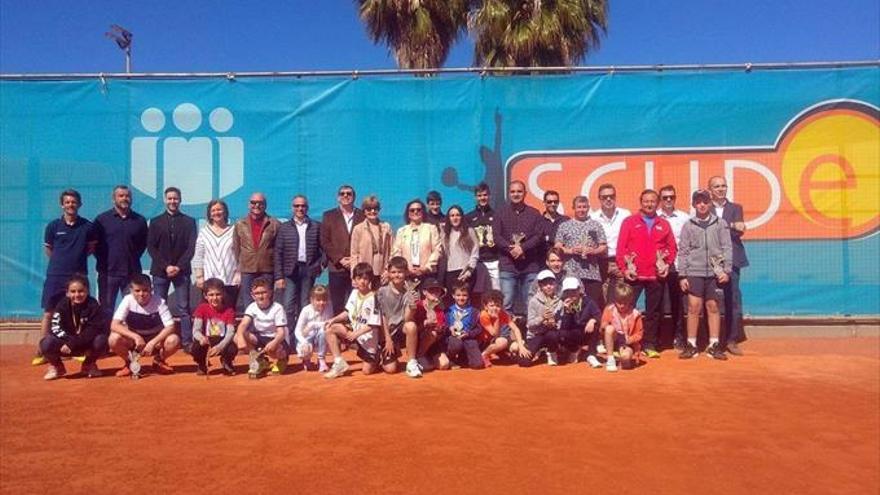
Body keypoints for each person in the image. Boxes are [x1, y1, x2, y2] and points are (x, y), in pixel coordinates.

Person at [36, 189, 98, 366]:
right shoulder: (53, 226)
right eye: (67, 202)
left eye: (74, 202)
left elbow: (90, 249)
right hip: (55, 275)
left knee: (79, 315)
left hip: (78, 276)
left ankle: (78, 348)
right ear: (62, 205)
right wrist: (60, 262)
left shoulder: (88, 226)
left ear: (79, 204)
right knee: (49, 312)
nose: (71, 205)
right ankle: (42, 351)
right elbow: (50, 250)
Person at [616, 189, 677, 358]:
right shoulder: (629, 222)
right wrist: (624, 268)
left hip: (656, 276)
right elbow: (621, 248)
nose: (649, 204)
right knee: (627, 310)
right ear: (640, 202)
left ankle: (649, 344)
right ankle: (625, 342)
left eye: (652, 201)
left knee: (654, 312)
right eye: (646, 201)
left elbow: (672, 248)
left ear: (657, 203)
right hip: (634, 275)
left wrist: (666, 265)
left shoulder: (664, 224)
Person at [677, 189, 733, 361]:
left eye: (705, 201)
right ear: (694, 204)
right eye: (698, 202)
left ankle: (714, 345)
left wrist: (727, 270)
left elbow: (727, 247)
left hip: (715, 274)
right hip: (694, 272)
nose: (702, 205)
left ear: (710, 203)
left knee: (713, 307)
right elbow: (684, 251)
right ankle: (691, 345)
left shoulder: (720, 223)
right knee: (694, 307)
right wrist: (683, 275)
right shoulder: (688, 225)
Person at [147, 186, 197, 351]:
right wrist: (166, 266)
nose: (172, 201)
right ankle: (160, 341)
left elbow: (191, 248)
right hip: (160, 272)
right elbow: (151, 248)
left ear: (180, 200)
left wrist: (178, 266)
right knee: (160, 307)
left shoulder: (189, 222)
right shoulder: (155, 222)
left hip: (182, 272)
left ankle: (187, 342)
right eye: (169, 198)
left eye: (175, 198)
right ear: (165, 200)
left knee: (184, 308)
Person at [108, 274, 179, 378]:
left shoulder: (160, 301)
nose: (141, 294)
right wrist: (136, 337)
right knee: (113, 339)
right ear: (131, 290)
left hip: (155, 341)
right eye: (137, 291)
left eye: (145, 290)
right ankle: (130, 363)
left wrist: (153, 342)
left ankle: (159, 361)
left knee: (174, 340)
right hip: (135, 342)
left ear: (151, 289)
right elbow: (114, 325)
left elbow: (171, 326)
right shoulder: (127, 300)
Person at [709, 176, 749, 356]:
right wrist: (730, 225)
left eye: (723, 185)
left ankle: (732, 340)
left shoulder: (736, 208)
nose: (720, 189)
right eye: (716, 186)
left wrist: (727, 226)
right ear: (710, 189)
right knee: (711, 301)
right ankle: (713, 340)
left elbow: (739, 230)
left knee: (732, 300)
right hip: (710, 261)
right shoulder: (704, 208)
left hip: (733, 259)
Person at [39, 274, 107, 380]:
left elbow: (93, 330)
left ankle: (88, 364)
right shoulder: (62, 305)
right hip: (65, 344)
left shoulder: (93, 305)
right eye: (73, 291)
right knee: (46, 343)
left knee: (101, 340)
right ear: (67, 293)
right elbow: (55, 327)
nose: (77, 295)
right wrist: (68, 341)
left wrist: (73, 343)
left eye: (81, 291)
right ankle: (57, 367)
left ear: (87, 291)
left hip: (85, 344)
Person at [493, 180, 545, 316]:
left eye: (519, 191)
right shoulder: (500, 213)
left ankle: (531, 335)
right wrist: (511, 249)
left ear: (525, 193)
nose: (516, 194)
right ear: (509, 194)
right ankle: (505, 335)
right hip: (508, 265)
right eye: (513, 191)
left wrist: (523, 248)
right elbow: (496, 237)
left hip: (530, 267)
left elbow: (539, 236)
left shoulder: (534, 213)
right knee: (506, 303)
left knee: (531, 302)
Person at [323, 263, 383, 379]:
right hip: (354, 335)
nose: (362, 282)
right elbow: (347, 313)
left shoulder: (373, 298)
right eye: (359, 278)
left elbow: (373, 325)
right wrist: (333, 319)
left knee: (367, 371)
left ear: (370, 280)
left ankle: (376, 356)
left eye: (365, 278)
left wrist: (355, 334)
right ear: (354, 279)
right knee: (330, 328)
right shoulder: (354, 293)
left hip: (367, 341)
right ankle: (339, 362)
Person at [95, 185, 148, 312]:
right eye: (121, 196)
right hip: (108, 273)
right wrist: (106, 261)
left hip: (132, 273)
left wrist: (131, 257)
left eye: (127, 196)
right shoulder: (102, 220)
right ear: (114, 199)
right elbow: (95, 246)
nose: (125, 198)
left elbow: (143, 244)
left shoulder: (139, 220)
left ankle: (131, 332)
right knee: (106, 308)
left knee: (133, 308)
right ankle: (107, 332)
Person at [274, 194, 323, 328]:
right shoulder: (284, 228)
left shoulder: (316, 226)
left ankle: (302, 338)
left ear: (307, 208)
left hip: (308, 271)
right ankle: (290, 339)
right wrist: (279, 276)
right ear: (292, 208)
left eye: (303, 206)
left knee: (305, 305)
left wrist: (318, 267)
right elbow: (278, 253)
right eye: (297, 206)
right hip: (290, 272)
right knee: (288, 306)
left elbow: (323, 251)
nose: (300, 208)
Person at [554, 195, 607, 307]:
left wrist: (593, 251)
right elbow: (557, 246)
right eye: (579, 207)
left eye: (584, 207)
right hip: (571, 272)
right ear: (574, 208)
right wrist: (570, 250)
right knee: (572, 305)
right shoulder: (564, 226)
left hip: (592, 273)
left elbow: (603, 247)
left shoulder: (596, 225)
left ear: (588, 208)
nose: (582, 210)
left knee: (592, 305)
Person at [320, 185, 365, 315]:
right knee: (338, 304)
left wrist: (354, 259)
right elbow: (325, 241)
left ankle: (355, 333)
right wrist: (340, 259)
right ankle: (339, 333)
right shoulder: (328, 215)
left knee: (357, 303)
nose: (345, 196)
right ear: (338, 197)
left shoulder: (362, 215)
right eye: (342, 193)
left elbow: (365, 241)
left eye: (349, 194)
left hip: (357, 267)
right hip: (337, 267)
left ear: (354, 197)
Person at [233, 192, 280, 312]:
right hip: (247, 270)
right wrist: (240, 267)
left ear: (265, 205)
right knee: (248, 304)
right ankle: (250, 329)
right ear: (248, 204)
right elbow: (237, 247)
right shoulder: (239, 224)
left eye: (260, 203)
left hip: (267, 270)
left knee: (267, 303)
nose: (256, 205)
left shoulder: (274, 224)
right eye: (253, 202)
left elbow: (278, 250)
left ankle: (266, 329)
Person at [235, 276, 289, 379]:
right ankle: (259, 361)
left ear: (270, 293)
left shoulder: (278, 308)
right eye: (257, 293)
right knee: (237, 337)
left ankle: (282, 359)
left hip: (277, 339)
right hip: (260, 338)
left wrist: (274, 342)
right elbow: (242, 325)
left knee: (276, 351)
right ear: (252, 295)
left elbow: (281, 333)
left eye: (263, 292)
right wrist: (241, 338)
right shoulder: (251, 307)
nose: (260, 296)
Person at [375, 256, 421, 378]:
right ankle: (380, 354)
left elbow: (407, 319)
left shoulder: (410, 292)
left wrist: (412, 306)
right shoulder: (382, 292)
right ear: (389, 273)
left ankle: (411, 362)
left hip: (400, 331)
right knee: (391, 369)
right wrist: (388, 339)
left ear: (406, 273)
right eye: (393, 272)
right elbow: (382, 317)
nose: (397, 275)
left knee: (411, 326)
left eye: (400, 272)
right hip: (386, 333)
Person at [657, 185, 689, 350]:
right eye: (665, 197)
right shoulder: (653, 218)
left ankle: (679, 336)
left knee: (678, 304)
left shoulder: (684, 217)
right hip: (658, 267)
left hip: (678, 266)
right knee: (658, 303)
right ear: (660, 200)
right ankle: (659, 337)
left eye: (671, 197)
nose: (668, 200)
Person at [192, 199, 240, 306]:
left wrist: (238, 274)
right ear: (209, 214)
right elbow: (198, 256)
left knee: (228, 314)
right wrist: (199, 277)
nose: (216, 212)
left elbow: (240, 255)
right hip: (209, 282)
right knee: (210, 316)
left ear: (225, 212)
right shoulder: (204, 232)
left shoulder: (234, 230)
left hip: (230, 281)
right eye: (213, 210)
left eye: (219, 210)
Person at [590, 183, 631, 305]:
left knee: (622, 298)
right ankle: (604, 323)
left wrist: (625, 264)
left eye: (611, 196)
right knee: (601, 299)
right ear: (599, 199)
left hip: (621, 262)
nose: (608, 199)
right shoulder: (593, 218)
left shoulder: (625, 215)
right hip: (601, 262)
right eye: (604, 197)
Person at [190, 277, 238, 376]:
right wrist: (201, 338)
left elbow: (230, 332)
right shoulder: (201, 308)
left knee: (232, 347)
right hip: (206, 340)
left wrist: (220, 347)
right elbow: (196, 330)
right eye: (211, 295)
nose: (214, 298)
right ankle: (202, 364)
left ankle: (227, 362)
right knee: (195, 347)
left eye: (218, 294)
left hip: (222, 340)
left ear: (223, 294)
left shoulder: (229, 311)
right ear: (205, 296)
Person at [392, 199, 442, 282]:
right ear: (408, 214)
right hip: (407, 275)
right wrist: (406, 268)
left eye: (418, 210)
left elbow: (437, 250)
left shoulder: (431, 228)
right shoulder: (401, 231)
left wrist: (426, 268)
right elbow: (397, 252)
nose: (415, 212)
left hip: (428, 274)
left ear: (423, 212)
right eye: (412, 210)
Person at [520, 269, 563, 367]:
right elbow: (530, 324)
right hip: (535, 335)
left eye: (551, 284)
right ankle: (538, 350)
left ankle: (552, 352)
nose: (548, 287)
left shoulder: (559, 302)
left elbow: (560, 323)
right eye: (545, 284)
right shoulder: (533, 301)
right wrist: (542, 318)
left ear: (555, 285)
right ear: (540, 286)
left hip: (550, 333)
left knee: (553, 335)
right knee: (524, 362)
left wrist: (554, 324)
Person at [477, 289, 529, 367]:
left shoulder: (503, 314)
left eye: (498, 305)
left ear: (501, 306)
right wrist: (497, 319)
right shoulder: (483, 315)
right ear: (485, 306)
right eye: (491, 305)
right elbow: (494, 333)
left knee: (517, 346)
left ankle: (499, 353)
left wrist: (521, 346)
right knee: (503, 342)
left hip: (492, 341)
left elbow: (515, 329)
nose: (495, 308)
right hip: (481, 343)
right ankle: (484, 355)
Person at [558, 277, 601, 367]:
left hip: (587, 331)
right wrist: (567, 311)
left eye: (573, 290)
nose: (571, 294)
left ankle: (591, 354)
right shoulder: (562, 303)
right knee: (562, 334)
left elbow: (598, 315)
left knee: (596, 327)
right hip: (574, 333)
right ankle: (574, 350)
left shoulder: (589, 301)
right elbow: (564, 327)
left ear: (579, 290)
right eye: (568, 291)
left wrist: (592, 320)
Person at [350, 195, 393, 286]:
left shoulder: (386, 227)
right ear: (364, 211)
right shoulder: (358, 229)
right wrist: (354, 277)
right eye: (369, 209)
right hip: (365, 275)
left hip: (383, 274)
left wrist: (388, 271)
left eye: (375, 208)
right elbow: (354, 255)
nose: (372, 211)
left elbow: (392, 251)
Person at [466, 182, 501, 292]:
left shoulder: (497, 215)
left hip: (494, 260)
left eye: (485, 195)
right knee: (478, 293)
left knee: (496, 292)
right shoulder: (468, 217)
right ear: (475, 197)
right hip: (478, 261)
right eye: (480, 195)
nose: (482, 198)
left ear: (489, 196)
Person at [600, 283, 644, 372]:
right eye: (619, 303)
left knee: (626, 361)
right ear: (615, 300)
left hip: (626, 343)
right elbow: (602, 330)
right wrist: (604, 327)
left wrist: (630, 340)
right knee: (609, 329)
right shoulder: (609, 309)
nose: (622, 306)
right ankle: (610, 359)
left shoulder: (636, 314)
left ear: (630, 301)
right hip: (614, 338)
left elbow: (639, 333)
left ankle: (621, 357)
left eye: (625, 303)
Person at [441, 282, 483, 370]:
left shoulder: (474, 311)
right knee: (456, 343)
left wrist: (468, 333)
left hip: (468, 338)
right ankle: (450, 358)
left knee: (477, 364)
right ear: (453, 296)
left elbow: (478, 328)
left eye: (464, 295)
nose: (461, 298)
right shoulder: (448, 311)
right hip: (453, 338)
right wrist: (449, 329)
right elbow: (443, 325)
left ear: (468, 296)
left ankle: (462, 357)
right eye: (458, 295)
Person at [409, 277, 448, 371]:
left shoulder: (440, 309)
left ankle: (428, 357)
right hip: (418, 342)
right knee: (432, 334)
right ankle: (418, 356)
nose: (435, 292)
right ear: (424, 292)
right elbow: (410, 328)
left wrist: (440, 329)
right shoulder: (417, 305)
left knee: (444, 365)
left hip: (433, 343)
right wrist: (425, 324)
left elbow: (440, 331)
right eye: (431, 290)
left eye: (437, 290)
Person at [292, 285, 333, 372]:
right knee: (305, 346)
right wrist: (304, 343)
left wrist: (312, 325)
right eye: (318, 300)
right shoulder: (305, 310)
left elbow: (328, 324)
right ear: (311, 300)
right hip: (307, 337)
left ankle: (321, 359)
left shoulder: (329, 307)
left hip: (320, 335)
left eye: (324, 300)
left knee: (324, 331)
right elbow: (297, 331)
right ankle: (306, 359)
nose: (322, 303)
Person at [441, 205, 479, 297]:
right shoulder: (445, 234)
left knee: (465, 301)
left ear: (462, 217)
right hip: (450, 273)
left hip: (465, 273)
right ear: (448, 218)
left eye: (458, 215)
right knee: (451, 303)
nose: (455, 218)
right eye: (452, 215)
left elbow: (475, 253)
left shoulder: (469, 231)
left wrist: (469, 272)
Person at [541, 189, 569, 256]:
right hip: (542, 261)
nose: (553, 204)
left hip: (561, 261)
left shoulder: (566, 220)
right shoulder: (538, 221)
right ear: (544, 202)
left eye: (555, 202)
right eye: (549, 202)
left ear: (558, 203)